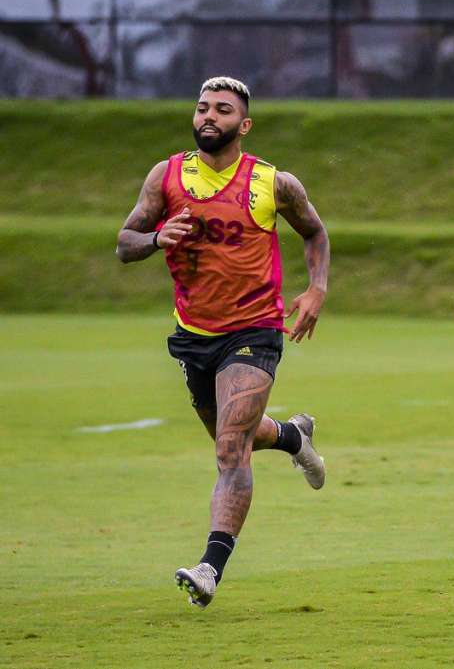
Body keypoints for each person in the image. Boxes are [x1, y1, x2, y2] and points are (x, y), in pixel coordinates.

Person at [115, 77, 330, 608]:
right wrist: (156, 238)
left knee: (230, 449)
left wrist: (316, 290)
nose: (209, 116)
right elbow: (124, 243)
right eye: (203, 107)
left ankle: (209, 567)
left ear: (244, 124)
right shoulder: (166, 176)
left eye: (223, 110)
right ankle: (292, 436)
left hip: (255, 329)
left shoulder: (273, 183)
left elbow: (314, 232)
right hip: (194, 336)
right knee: (235, 436)